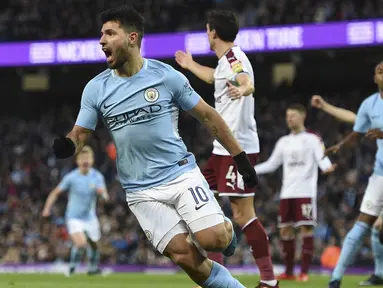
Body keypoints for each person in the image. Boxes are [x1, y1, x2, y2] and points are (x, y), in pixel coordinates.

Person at [51, 5, 259, 288]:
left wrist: (240, 157)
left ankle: (224, 228)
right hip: (140, 191)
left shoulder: (166, 76)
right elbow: (81, 132)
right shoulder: (95, 88)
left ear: (132, 38)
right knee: (184, 256)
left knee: (214, 240)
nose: (101, 40)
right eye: (101, 34)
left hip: (179, 174)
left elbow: (208, 115)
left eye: (110, 33)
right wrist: (68, 144)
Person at [175, 10, 278, 288]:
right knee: (202, 200)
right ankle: (217, 270)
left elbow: (244, 79)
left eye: (207, 30)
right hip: (220, 150)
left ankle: (269, 281)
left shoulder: (234, 58)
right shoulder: (224, 63)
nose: (206, 34)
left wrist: (244, 89)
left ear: (212, 33)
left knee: (243, 214)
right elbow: (214, 78)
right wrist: (191, 65)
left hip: (238, 149)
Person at [253, 104, 336, 282]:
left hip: (305, 191)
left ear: (302, 116)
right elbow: (272, 164)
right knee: (285, 231)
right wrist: (251, 170)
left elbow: (322, 157)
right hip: (286, 193)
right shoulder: (283, 141)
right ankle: (289, 271)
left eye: (293, 116)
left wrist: (327, 167)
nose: (289, 119)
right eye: (287, 116)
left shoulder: (313, 139)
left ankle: (304, 272)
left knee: (306, 228)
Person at [311, 95, 383, 287]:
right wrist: (326, 106)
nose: (380, 74)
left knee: (378, 228)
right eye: (378, 71)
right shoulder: (371, 104)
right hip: (380, 174)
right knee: (366, 227)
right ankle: (336, 278)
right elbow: (354, 120)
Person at [42, 145, 109, 276]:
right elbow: (55, 192)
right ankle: (72, 268)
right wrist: (47, 208)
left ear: (92, 160)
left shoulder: (97, 177)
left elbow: (106, 196)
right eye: (82, 158)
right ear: (77, 161)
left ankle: (92, 269)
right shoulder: (71, 177)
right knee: (81, 243)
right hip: (73, 217)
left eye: (88, 158)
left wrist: (102, 194)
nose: (85, 161)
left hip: (90, 217)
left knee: (94, 245)